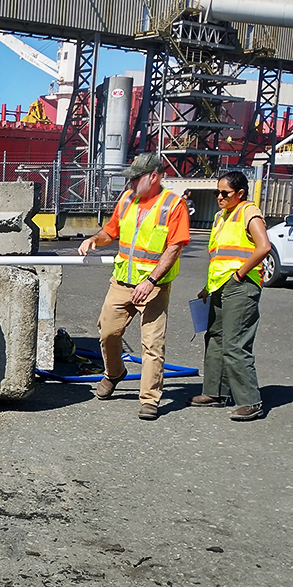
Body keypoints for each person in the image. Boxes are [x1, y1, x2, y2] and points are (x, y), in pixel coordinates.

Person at [78, 152, 191, 421]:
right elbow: (111, 232)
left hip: (153, 287)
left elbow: (174, 248)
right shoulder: (127, 200)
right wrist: (95, 239)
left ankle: (149, 399)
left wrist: (150, 281)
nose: (130, 184)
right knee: (107, 333)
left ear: (154, 177)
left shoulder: (173, 205)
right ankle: (114, 373)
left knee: (152, 344)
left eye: (135, 178)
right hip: (121, 282)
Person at [191, 171, 271, 421]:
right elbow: (218, 257)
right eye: (217, 192)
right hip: (220, 286)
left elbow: (264, 247)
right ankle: (214, 393)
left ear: (240, 194)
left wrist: (239, 274)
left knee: (236, 344)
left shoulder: (249, 212)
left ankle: (250, 401)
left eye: (224, 193)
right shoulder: (220, 217)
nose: (219, 197)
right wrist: (208, 287)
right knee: (215, 338)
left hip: (241, 285)